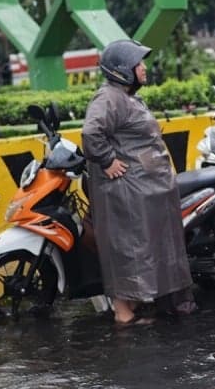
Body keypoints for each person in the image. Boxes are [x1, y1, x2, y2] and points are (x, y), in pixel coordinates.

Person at [82, 39, 196, 325]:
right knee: (130, 251)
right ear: (122, 69)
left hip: (146, 191)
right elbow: (91, 133)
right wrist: (107, 160)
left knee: (146, 249)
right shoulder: (108, 98)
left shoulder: (127, 95)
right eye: (138, 64)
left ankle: (136, 304)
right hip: (128, 194)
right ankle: (124, 313)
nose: (144, 68)